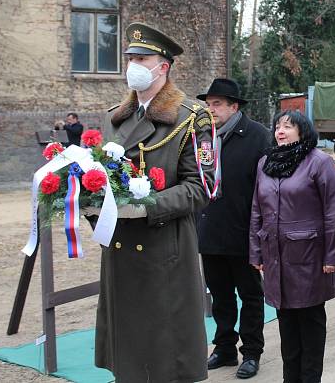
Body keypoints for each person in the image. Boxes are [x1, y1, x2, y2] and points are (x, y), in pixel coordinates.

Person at [96, 23, 215, 382]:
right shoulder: (115, 117)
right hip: (121, 251)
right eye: (129, 57)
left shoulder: (191, 117)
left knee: (165, 359)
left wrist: (147, 205)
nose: (132, 64)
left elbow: (203, 187)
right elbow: (101, 176)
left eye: (141, 58)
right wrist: (90, 201)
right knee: (129, 358)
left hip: (164, 248)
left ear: (162, 66)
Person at [249, 110, 335, 383]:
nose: (281, 130)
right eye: (278, 126)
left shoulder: (319, 162)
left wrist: (334, 255)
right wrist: (256, 251)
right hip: (275, 256)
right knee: (287, 324)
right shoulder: (266, 163)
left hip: (310, 256)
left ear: (303, 131)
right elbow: (257, 209)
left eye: (288, 126)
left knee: (310, 322)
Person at [197, 78, 271, 379]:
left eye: (217, 104)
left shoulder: (258, 137)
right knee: (220, 295)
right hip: (211, 230)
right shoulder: (203, 136)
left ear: (234, 106)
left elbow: (269, 189)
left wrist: (263, 232)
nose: (211, 109)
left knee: (251, 296)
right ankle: (224, 347)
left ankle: (251, 352)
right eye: (208, 104)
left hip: (245, 233)